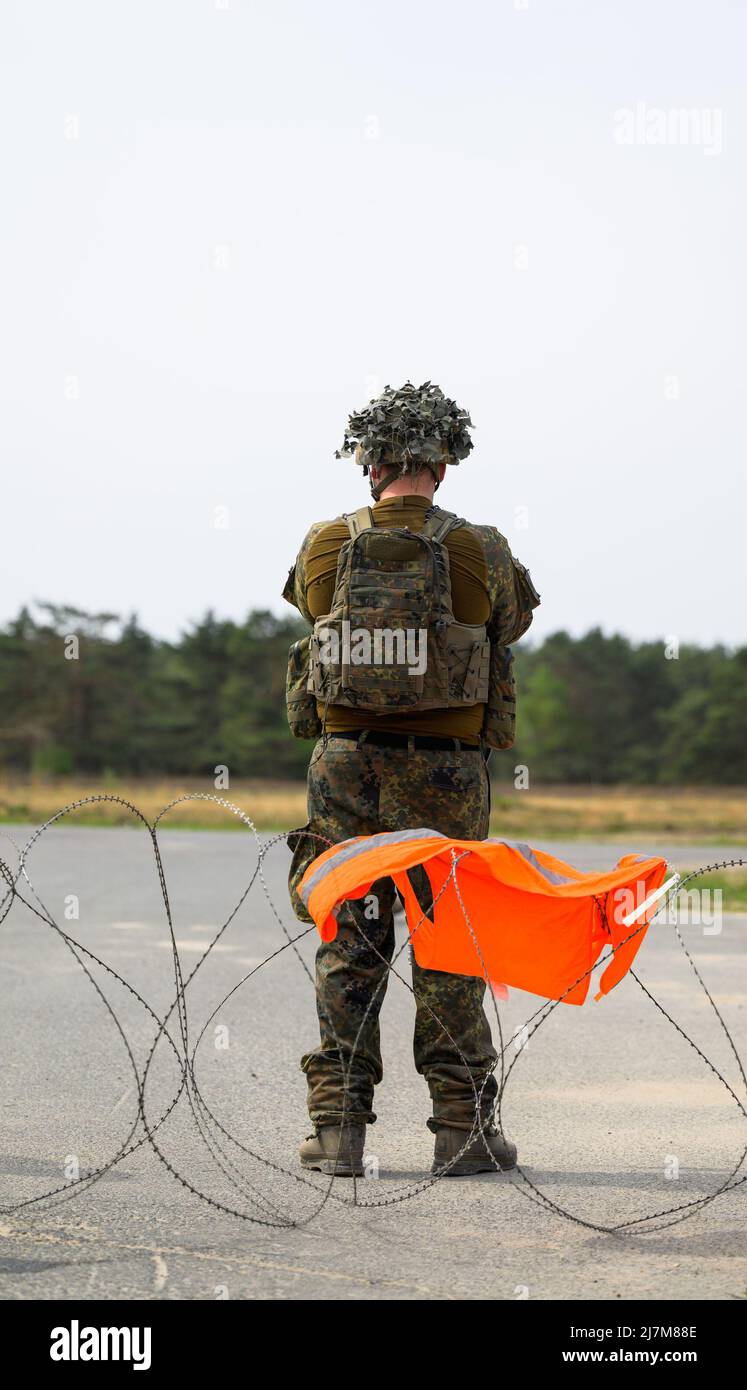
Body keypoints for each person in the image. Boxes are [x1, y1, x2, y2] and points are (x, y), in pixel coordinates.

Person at [282, 381, 540, 1177]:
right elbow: (516, 620)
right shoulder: (482, 548)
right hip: (447, 776)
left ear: (368, 461)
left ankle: (338, 1131)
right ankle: (461, 1130)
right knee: (449, 941)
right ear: (443, 464)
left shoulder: (325, 542)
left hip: (347, 767)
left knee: (348, 938)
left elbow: (308, 610)